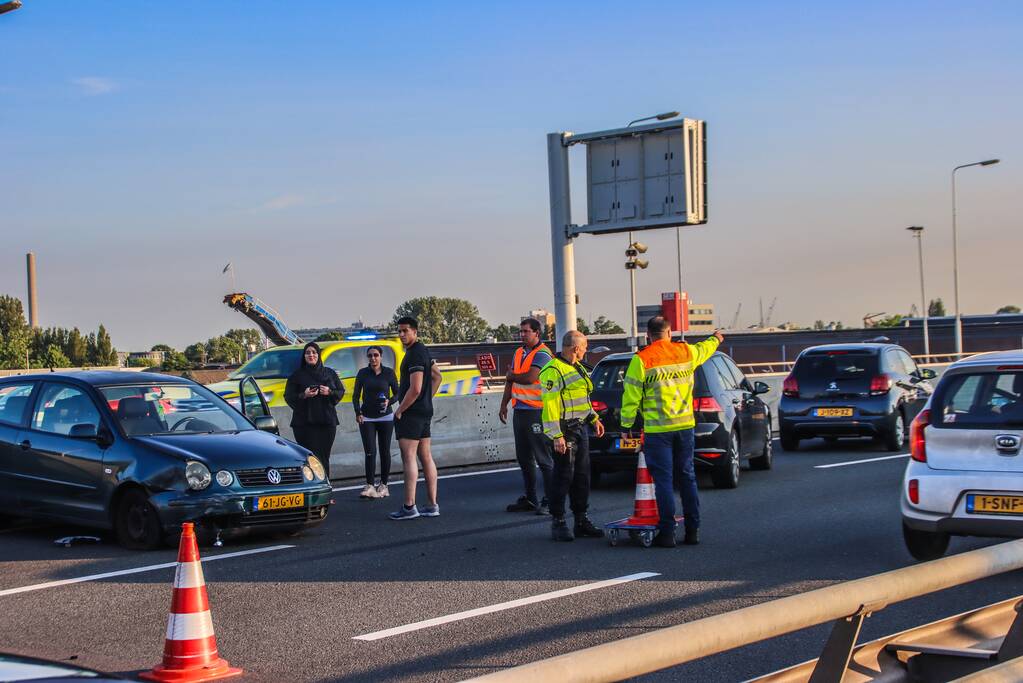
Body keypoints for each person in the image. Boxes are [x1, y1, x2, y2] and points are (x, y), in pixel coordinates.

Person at [620, 316, 723, 547]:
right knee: (687, 477)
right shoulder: (685, 352)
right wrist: (715, 339)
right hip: (685, 427)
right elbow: (704, 349)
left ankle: (667, 534)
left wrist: (626, 427)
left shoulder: (642, 359)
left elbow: (630, 397)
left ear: (648, 336)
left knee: (664, 482)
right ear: (669, 333)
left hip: (658, 431)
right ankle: (693, 531)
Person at [539, 330, 605, 542]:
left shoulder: (578, 368)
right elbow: (550, 406)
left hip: (580, 428)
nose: (586, 350)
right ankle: (558, 521)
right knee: (563, 476)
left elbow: (583, 398)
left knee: (582, 476)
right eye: (585, 347)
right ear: (576, 348)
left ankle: (581, 519)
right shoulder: (553, 370)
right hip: (564, 430)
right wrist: (556, 435)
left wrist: (594, 418)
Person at [389, 316, 444, 520]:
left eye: (405, 331)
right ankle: (432, 505)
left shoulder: (414, 355)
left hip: (411, 413)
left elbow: (416, 387)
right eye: (400, 331)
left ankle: (409, 506)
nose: (402, 334)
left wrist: (400, 410)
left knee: (409, 457)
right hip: (424, 411)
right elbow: (438, 376)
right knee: (425, 456)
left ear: (415, 331)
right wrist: (426, 400)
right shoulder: (423, 351)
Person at [498, 318, 554, 515]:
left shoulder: (543, 354)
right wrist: (504, 403)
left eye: (526, 331)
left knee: (543, 458)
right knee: (524, 457)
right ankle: (531, 498)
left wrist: (511, 376)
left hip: (536, 412)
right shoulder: (519, 352)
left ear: (537, 333)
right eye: (520, 332)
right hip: (520, 411)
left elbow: (530, 377)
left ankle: (550, 500)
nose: (522, 335)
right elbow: (510, 380)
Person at [284, 342, 344, 476]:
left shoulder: (329, 373)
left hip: (326, 422)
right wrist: (304, 395)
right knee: (309, 458)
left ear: (319, 355)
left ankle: (325, 489)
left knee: (323, 457)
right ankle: (312, 490)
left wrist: (329, 392)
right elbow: (288, 397)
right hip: (304, 424)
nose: (311, 355)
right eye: (308, 353)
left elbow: (340, 392)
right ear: (304, 356)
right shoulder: (297, 375)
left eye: (314, 352)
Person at [353, 345, 399, 499]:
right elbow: (355, 395)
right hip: (367, 417)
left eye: (376, 355)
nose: (373, 358)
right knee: (370, 451)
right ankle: (370, 485)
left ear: (381, 356)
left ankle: (384, 485)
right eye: (370, 355)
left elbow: (398, 393)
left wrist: (389, 401)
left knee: (385, 451)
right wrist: (358, 412)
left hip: (386, 417)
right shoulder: (363, 373)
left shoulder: (389, 373)